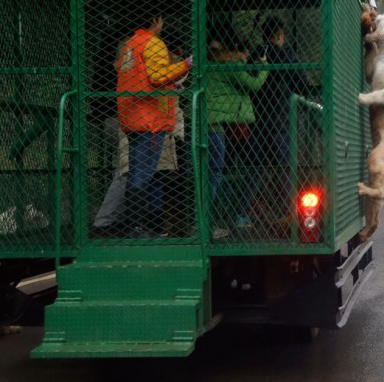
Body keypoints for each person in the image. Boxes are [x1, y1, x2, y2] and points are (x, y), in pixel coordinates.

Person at [116, 14, 192, 237]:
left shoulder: (130, 44)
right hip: (150, 119)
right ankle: (136, 227)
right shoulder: (153, 43)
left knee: (137, 172)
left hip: (132, 116)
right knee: (144, 173)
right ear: (156, 19)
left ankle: (136, 226)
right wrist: (185, 64)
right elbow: (157, 76)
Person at [205, 34, 268, 238]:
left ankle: (215, 218)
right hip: (219, 122)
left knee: (218, 172)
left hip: (221, 123)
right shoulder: (230, 63)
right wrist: (265, 66)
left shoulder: (212, 62)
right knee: (215, 173)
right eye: (245, 53)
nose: (246, 57)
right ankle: (210, 222)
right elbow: (253, 85)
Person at [250, 16, 311, 226]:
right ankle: (288, 211)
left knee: (255, 167)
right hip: (281, 118)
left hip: (255, 119)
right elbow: (301, 84)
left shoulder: (256, 54)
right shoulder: (286, 56)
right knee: (284, 166)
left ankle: (240, 209)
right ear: (279, 35)